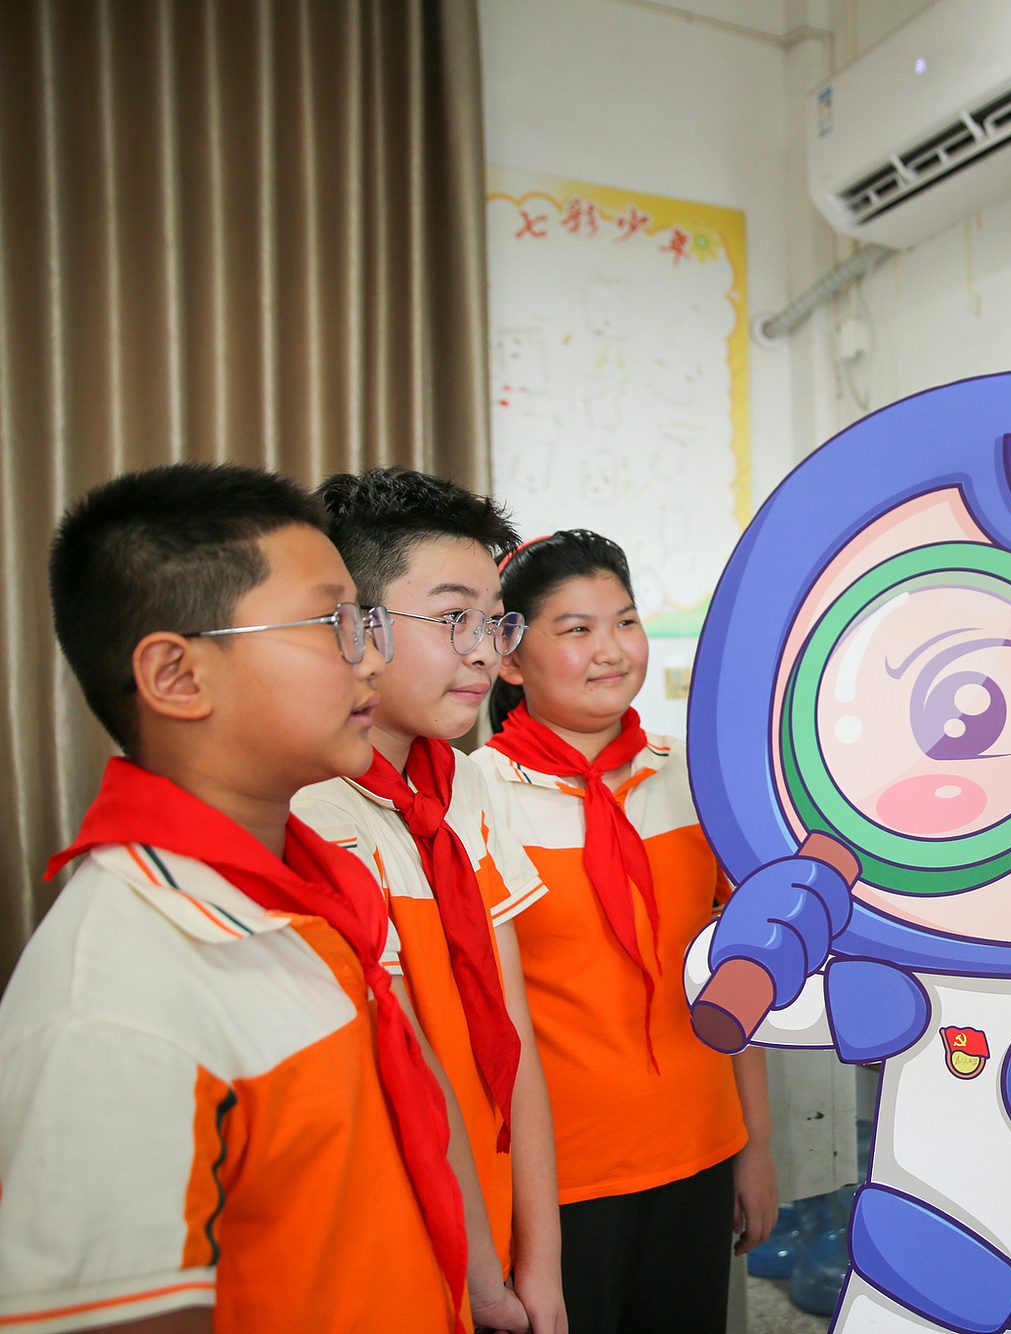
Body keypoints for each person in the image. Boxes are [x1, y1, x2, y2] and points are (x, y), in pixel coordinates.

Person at [0, 463, 462, 1331]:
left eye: (364, 622)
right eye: (333, 623)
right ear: (177, 676)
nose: (371, 657)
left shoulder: (307, 896)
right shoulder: (114, 1000)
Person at [469, 531, 777, 1333]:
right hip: (559, 1180)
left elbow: (733, 973)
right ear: (510, 659)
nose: (611, 650)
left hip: (700, 1149)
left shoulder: (695, 777)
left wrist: (755, 1144)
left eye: (625, 621)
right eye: (576, 630)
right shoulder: (475, 798)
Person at [291, 468, 564, 1334]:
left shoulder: (465, 788)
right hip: (405, 1248)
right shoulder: (313, 811)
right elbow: (411, 1071)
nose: (486, 652)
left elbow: (512, 1029)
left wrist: (541, 1265)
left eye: (496, 621)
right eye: (454, 620)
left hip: (491, 1219)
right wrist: (484, 1282)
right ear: (358, 627)